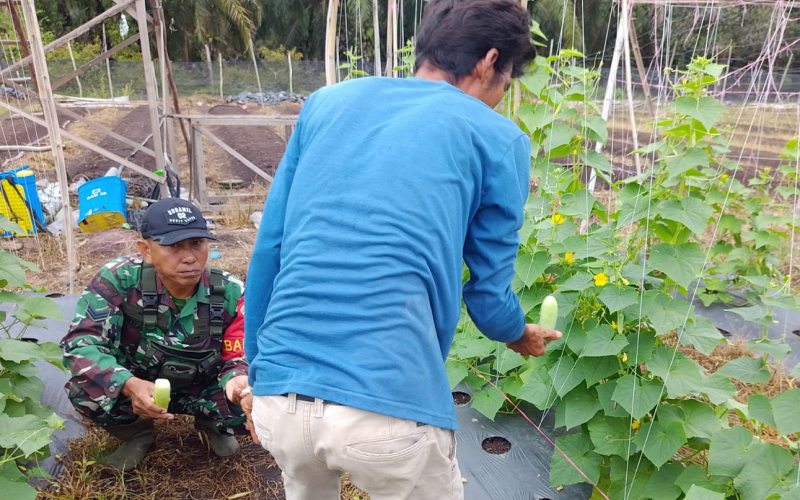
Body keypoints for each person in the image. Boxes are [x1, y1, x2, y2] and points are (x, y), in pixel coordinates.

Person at [242, 0, 561, 498]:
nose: (502, 94)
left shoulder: (327, 103)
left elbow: (270, 250)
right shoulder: (497, 137)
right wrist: (518, 333)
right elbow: (489, 294)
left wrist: (259, 369)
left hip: (282, 400)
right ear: (487, 62)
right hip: (388, 404)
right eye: (508, 80)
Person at [62, 198, 250, 471]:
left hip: (203, 386)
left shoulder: (229, 292)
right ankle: (138, 434)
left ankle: (213, 424)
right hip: (139, 384)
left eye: (197, 244)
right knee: (85, 390)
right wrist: (129, 384)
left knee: (253, 394)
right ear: (146, 250)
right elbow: (81, 345)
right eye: (173, 246)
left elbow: (239, 355)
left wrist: (238, 384)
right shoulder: (120, 279)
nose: (189, 257)